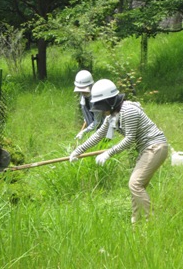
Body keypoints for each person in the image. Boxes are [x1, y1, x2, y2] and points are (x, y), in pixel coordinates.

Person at [69, 79, 168, 224]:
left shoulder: (128, 110)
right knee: (137, 188)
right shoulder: (113, 116)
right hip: (146, 149)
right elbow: (99, 135)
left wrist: (109, 153)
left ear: (109, 102)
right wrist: (77, 151)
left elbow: (129, 139)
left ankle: (152, 222)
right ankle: (136, 223)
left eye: (102, 106)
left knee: (135, 184)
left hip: (155, 147)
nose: (101, 110)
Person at [73, 70, 103, 139]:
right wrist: (82, 130)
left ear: (90, 85)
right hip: (95, 129)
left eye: (84, 90)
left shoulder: (97, 99)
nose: (83, 92)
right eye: (81, 90)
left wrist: (84, 132)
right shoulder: (83, 96)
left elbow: (97, 121)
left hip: (105, 129)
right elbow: (86, 116)